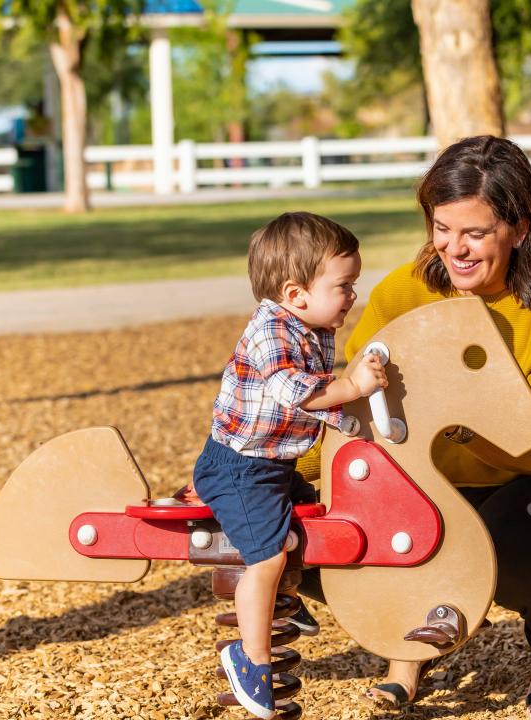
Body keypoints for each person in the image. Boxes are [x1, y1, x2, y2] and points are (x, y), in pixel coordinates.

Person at [294, 135, 531, 718]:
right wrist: (288, 477)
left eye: (475, 232)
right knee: (268, 516)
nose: (455, 249)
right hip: (414, 484)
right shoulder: (403, 292)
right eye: (442, 228)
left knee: (514, 543)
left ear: (520, 228)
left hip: (530, 485)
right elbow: (348, 412)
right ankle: (407, 645)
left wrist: (450, 419)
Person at [195, 212, 387, 720]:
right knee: (268, 554)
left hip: (273, 465)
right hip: (237, 467)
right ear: (296, 292)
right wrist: (354, 387)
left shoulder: (312, 325)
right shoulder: (271, 333)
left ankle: (285, 594)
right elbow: (296, 392)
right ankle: (249, 657)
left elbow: (320, 407)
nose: (352, 296)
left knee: (312, 519)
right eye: (343, 286)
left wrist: (354, 422)